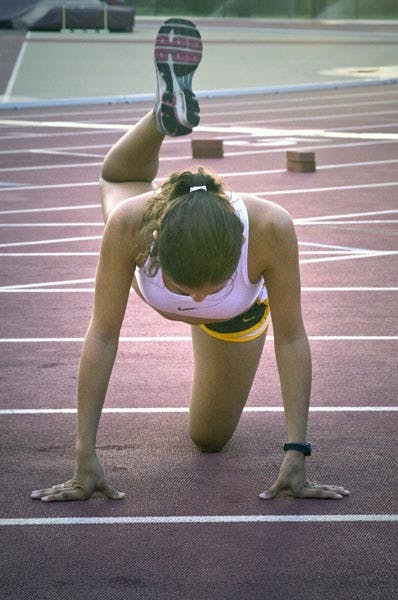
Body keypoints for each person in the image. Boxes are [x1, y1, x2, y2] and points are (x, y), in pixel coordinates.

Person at [31, 18, 349, 503]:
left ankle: (165, 120)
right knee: (118, 177)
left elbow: (291, 337)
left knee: (208, 440)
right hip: (152, 233)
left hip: (236, 319)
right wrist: (84, 457)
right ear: (155, 248)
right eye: (185, 288)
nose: (197, 298)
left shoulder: (269, 230)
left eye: (210, 287)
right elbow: (101, 334)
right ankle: (161, 121)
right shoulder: (134, 228)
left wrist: (297, 451)